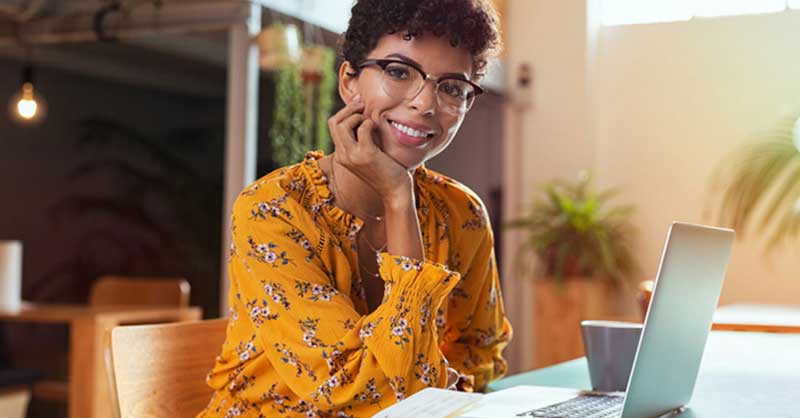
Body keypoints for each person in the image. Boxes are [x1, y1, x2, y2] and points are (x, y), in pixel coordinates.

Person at [198, 1, 511, 417]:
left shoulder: (462, 214)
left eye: (452, 87)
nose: (426, 103)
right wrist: (399, 198)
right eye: (399, 72)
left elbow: (480, 349)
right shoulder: (273, 210)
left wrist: (438, 383)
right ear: (349, 81)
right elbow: (347, 385)